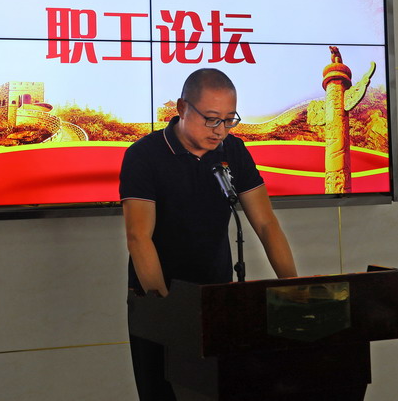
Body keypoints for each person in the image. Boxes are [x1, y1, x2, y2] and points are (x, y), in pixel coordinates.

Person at [120, 68, 298, 401]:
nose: (220, 131)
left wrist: (294, 288)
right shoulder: (144, 155)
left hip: (216, 297)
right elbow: (138, 237)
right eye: (211, 119)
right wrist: (168, 310)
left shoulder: (233, 151)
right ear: (182, 108)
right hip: (157, 299)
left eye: (229, 120)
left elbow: (265, 224)